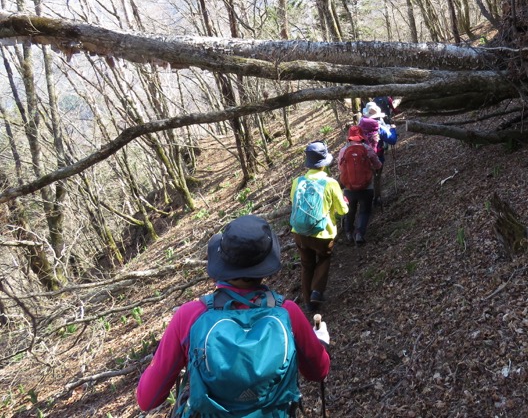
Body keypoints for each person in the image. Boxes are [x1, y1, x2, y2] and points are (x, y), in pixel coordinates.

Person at [136, 214, 330, 415]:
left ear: (222, 262)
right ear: (265, 266)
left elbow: (147, 399)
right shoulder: (287, 312)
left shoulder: (190, 316)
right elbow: (319, 371)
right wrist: (320, 341)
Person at [291, 141, 348, 312]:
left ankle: (308, 302)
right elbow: (343, 210)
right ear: (324, 164)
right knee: (324, 258)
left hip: (299, 232)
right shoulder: (330, 183)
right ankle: (317, 291)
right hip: (322, 233)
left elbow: (294, 203)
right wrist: (344, 202)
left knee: (306, 265)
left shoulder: (297, 181)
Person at [337, 125, 382, 246]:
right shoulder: (367, 149)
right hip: (366, 187)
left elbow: (340, 168)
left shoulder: (343, 151)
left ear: (349, 137)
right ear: (361, 136)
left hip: (348, 187)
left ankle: (348, 232)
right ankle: (359, 234)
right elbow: (377, 165)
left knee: (350, 210)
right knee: (365, 211)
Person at [360, 102, 398, 203]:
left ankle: (365, 200)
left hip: (361, 158)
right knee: (376, 178)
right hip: (377, 158)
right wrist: (393, 129)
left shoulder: (359, 126)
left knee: (366, 179)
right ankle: (375, 198)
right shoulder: (378, 127)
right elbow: (392, 140)